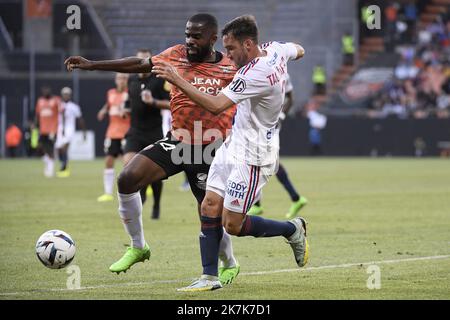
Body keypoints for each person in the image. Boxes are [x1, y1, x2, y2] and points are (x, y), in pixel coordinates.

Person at [64, 14, 240, 289]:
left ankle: (229, 262)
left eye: (196, 36)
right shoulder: (175, 55)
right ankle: (138, 246)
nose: (189, 41)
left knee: (208, 213)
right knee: (127, 179)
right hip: (177, 141)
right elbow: (140, 64)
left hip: (210, 149)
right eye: (187, 34)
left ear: (213, 39)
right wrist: (92, 65)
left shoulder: (231, 66)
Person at [152, 14, 309, 291]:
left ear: (248, 44)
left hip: (255, 155)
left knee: (233, 224)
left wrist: (177, 79)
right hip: (233, 144)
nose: (228, 55)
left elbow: (215, 105)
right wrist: (287, 57)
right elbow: (299, 49)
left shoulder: (253, 73)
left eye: (232, 48)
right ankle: (209, 277)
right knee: (209, 205)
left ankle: (292, 229)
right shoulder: (275, 49)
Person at [117, 49, 170, 220]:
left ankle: (156, 204)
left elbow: (170, 103)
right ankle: (140, 192)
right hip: (135, 131)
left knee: (156, 175)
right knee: (128, 165)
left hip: (153, 131)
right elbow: (129, 98)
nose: (140, 64)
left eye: (144, 60)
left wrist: (153, 102)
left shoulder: (158, 80)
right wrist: (125, 108)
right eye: (138, 60)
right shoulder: (131, 79)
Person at [247, 73, 308, 217]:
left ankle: (258, 205)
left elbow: (290, 99)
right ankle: (294, 198)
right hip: (256, 122)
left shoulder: (281, 73)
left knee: (260, 161)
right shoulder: (258, 68)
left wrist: (280, 116)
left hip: (267, 124)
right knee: (265, 162)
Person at [97, 73, 131, 202]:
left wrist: (127, 111)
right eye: (119, 78)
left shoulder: (130, 93)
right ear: (115, 80)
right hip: (112, 132)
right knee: (108, 161)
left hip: (127, 133)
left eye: (124, 78)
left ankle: (133, 190)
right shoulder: (110, 92)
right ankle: (107, 193)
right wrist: (103, 110)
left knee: (128, 164)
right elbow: (109, 104)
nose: (121, 81)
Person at [55, 87, 86, 178]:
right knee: (59, 149)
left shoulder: (74, 107)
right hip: (60, 128)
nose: (66, 96)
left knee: (64, 147)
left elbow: (80, 119)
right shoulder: (59, 105)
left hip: (69, 129)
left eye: (67, 94)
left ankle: (63, 168)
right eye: (64, 94)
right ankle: (64, 164)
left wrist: (84, 132)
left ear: (70, 95)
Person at [35, 86, 59, 177]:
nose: (45, 92)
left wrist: (60, 127)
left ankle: (50, 170)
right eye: (44, 91)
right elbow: (37, 115)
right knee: (39, 147)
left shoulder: (56, 100)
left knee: (50, 149)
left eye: (47, 91)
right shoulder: (40, 101)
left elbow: (61, 113)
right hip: (42, 129)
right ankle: (48, 161)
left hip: (52, 130)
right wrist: (35, 124)